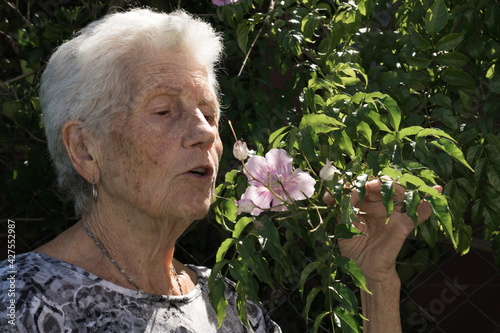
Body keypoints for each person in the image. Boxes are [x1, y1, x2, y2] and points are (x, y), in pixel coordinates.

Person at [0, 8, 439, 332]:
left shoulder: (227, 304)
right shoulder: (21, 305)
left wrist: (376, 281)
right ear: (85, 149)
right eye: (163, 110)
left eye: (209, 114)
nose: (204, 134)